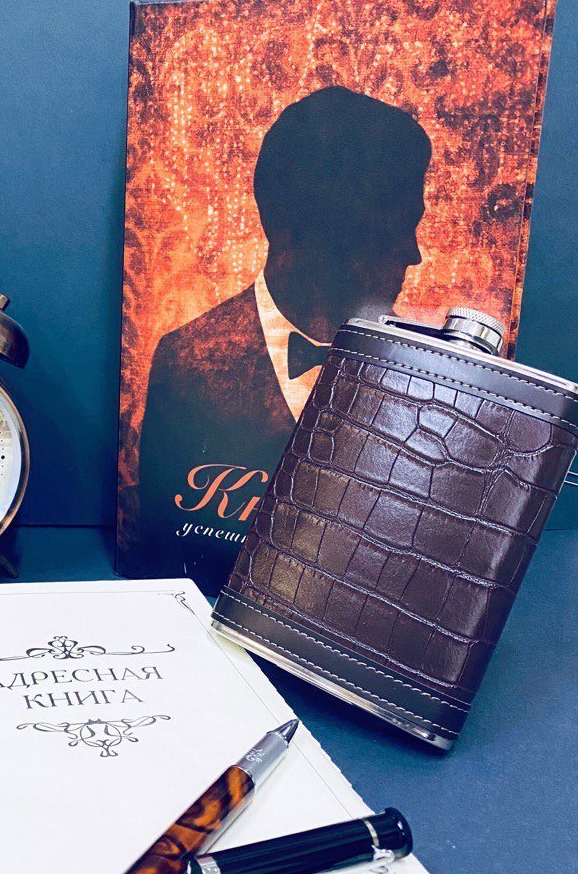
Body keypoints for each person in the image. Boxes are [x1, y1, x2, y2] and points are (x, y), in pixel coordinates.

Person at [133, 84, 431, 589]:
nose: (412, 254)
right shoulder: (187, 363)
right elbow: (162, 555)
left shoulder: (423, 380)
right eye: (387, 231)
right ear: (298, 229)